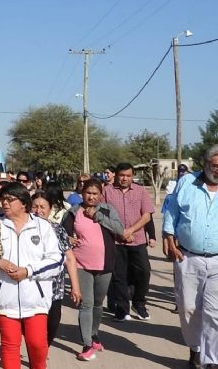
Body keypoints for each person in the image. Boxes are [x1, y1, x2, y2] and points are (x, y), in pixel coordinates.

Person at [0, 182, 63, 369]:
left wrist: (28, 271)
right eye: (2, 198)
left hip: (36, 301)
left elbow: (57, 261)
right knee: (10, 346)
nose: (5, 203)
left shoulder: (42, 227)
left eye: (10, 199)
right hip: (6, 300)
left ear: (23, 203)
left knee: (37, 344)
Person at [163, 145, 218, 369]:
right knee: (188, 308)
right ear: (205, 164)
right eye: (215, 166)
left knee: (215, 312)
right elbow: (171, 210)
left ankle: (211, 360)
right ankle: (195, 349)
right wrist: (168, 235)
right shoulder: (187, 183)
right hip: (187, 257)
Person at [61, 179, 125, 362]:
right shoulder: (73, 212)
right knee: (86, 304)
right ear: (82, 193)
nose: (91, 196)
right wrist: (68, 239)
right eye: (88, 193)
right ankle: (87, 344)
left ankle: (94, 334)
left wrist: (98, 216)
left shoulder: (107, 210)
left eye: (95, 193)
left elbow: (120, 229)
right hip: (81, 264)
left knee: (98, 304)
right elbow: (61, 234)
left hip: (105, 264)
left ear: (100, 194)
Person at [104, 162, 154, 322]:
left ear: (132, 176)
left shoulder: (140, 191)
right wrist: (120, 232)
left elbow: (147, 215)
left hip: (137, 240)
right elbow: (102, 215)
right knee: (119, 276)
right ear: (116, 175)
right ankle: (122, 308)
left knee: (144, 272)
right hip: (116, 242)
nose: (125, 178)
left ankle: (139, 303)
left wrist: (130, 231)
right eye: (122, 175)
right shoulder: (106, 191)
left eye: (128, 176)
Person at [31, 191, 81, 347]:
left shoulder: (58, 230)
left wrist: (75, 287)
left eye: (42, 207)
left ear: (50, 208)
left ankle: (44, 347)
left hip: (55, 289)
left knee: (52, 324)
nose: (38, 210)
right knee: (32, 328)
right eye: (34, 206)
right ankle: (37, 353)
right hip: (30, 287)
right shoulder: (24, 229)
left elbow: (70, 259)